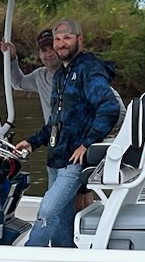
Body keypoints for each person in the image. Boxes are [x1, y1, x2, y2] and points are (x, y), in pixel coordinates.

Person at [14, 19, 122, 247]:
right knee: (60, 225)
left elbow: (110, 107)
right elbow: (56, 122)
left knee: (46, 211)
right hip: (55, 159)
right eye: (57, 39)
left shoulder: (88, 69)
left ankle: (25, 261)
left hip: (73, 162)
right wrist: (32, 142)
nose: (61, 43)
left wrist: (88, 143)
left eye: (67, 38)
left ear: (79, 39)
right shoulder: (61, 75)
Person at [0, 28, 58, 118]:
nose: (49, 54)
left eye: (53, 48)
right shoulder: (40, 76)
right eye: (44, 50)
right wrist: (12, 57)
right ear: (39, 54)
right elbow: (17, 83)